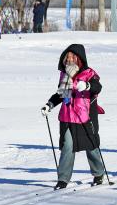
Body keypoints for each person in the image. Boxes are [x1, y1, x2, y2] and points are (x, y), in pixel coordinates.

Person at [41, 44, 107, 189]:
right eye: (67, 57)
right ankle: (63, 179)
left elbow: (98, 87)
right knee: (67, 147)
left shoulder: (89, 73)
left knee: (91, 146)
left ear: (79, 58)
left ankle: (98, 174)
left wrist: (88, 86)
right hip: (67, 117)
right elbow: (61, 95)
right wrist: (50, 104)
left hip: (85, 116)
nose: (69, 59)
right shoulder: (64, 75)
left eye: (72, 56)